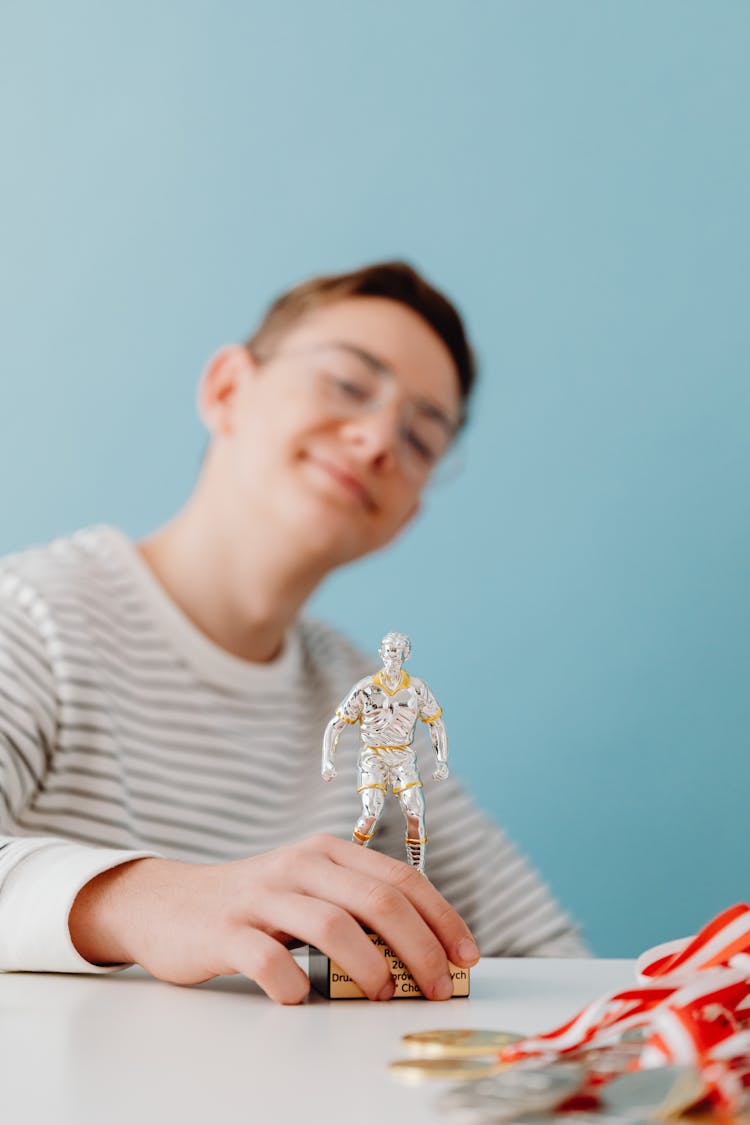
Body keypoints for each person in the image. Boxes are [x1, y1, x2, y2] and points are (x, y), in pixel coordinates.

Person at [0, 261, 586, 1005]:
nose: (378, 439)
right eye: (346, 383)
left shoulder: (365, 702)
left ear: (408, 513)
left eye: (421, 437)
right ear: (226, 389)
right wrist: (146, 899)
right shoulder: (30, 616)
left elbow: (550, 957)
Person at [322, 630, 449, 872]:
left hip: (402, 755)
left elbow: (436, 723)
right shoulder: (366, 688)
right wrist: (327, 761)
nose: (393, 656)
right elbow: (335, 725)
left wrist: (442, 760)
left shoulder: (416, 688)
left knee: (415, 809)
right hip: (373, 756)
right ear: (382, 653)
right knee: (371, 811)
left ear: (406, 655)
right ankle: (349, 863)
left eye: (398, 652)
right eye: (389, 651)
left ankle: (418, 870)